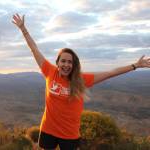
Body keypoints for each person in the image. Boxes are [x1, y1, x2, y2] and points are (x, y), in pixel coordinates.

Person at [12, 13, 150, 150]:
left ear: (74, 64)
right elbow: (34, 49)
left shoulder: (81, 80)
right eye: (63, 61)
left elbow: (110, 73)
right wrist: (23, 29)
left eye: (70, 62)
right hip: (48, 129)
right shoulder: (49, 71)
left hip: (70, 135)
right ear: (57, 63)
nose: (66, 65)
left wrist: (135, 66)